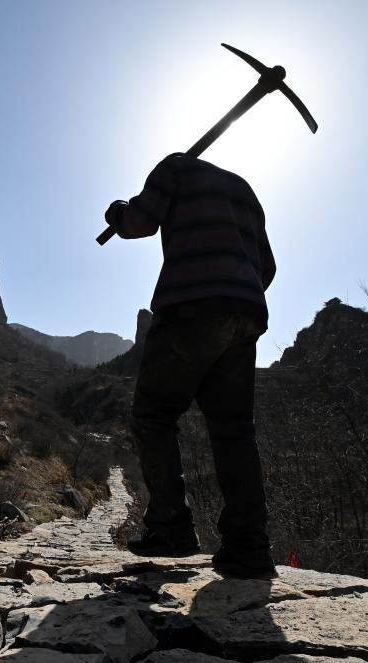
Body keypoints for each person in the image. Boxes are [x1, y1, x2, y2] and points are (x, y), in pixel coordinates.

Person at [104, 152, 278, 579]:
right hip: (246, 312)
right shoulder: (245, 190)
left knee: (153, 415)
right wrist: (233, 289)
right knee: (234, 430)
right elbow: (267, 267)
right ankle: (248, 548)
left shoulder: (175, 167)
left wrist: (117, 212)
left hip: (189, 308)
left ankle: (171, 528)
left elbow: (140, 222)